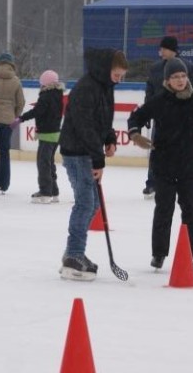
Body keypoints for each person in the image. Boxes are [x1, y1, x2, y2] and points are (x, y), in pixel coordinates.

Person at [127, 57, 193, 270]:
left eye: (183, 76)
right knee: (163, 210)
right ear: (168, 80)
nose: (180, 80)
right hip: (164, 166)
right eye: (175, 77)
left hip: (189, 166)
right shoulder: (159, 101)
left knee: (191, 209)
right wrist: (135, 134)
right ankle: (159, 254)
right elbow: (136, 117)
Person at [58, 49, 128, 281]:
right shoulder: (86, 88)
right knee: (85, 203)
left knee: (93, 203)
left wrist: (109, 138)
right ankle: (75, 255)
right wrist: (97, 158)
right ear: (106, 69)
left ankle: (72, 252)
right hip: (78, 152)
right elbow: (84, 125)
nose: (119, 80)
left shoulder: (104, 87)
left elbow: (103, 119)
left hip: (87, 150)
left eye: (121, 76)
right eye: (117, 75)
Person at [142, 36, 193, 199]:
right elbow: (150, 91)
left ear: (171, 50)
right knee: (157, 151)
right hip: (162, 118)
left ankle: (191, 186)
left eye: (163, 48)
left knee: (186, 153)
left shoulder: (188, 67)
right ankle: (152, 183)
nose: (160, 51)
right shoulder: (155, 69)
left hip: (183, 119)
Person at [15, 69, 64, 204]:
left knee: (43, 164)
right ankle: (54, 192)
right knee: (49, 163)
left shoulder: (46, 96)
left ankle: (45, 192)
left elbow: (37, 111)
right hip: (55, 134)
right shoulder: (58, 95)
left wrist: (21, 118)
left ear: (45, 84)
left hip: (47, 135)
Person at [0, 53, 24, 195]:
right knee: (4, 151)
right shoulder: (16, 81)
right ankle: (4, 184)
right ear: (11, 64)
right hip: (8, 120)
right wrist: (15, 116)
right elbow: (21, 102)